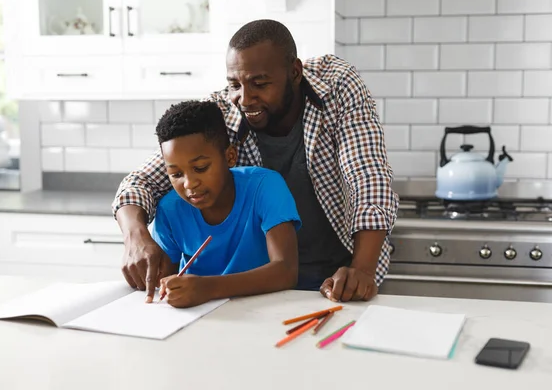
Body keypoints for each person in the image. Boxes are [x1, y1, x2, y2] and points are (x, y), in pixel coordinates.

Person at [113, 19, 399, 303]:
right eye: (234, 84)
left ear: (295, 72)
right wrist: (135, 236)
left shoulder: (336, 84)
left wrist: (361, 269)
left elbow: (367, 177)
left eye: (259, 84)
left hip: (341, 273)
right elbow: (143, 180)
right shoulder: (222, 111)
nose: (245, 99)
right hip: (261, 283)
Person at [145, 100, 301, 308]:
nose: (190, 184)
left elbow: (286, 271)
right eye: (176, 174)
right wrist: (165, 284)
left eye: (200, 168)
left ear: (229, 157)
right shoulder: (169, 209)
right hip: (198, 319)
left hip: (262, 312)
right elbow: (166, 279)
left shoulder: (265, 186)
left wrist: (208, 288)